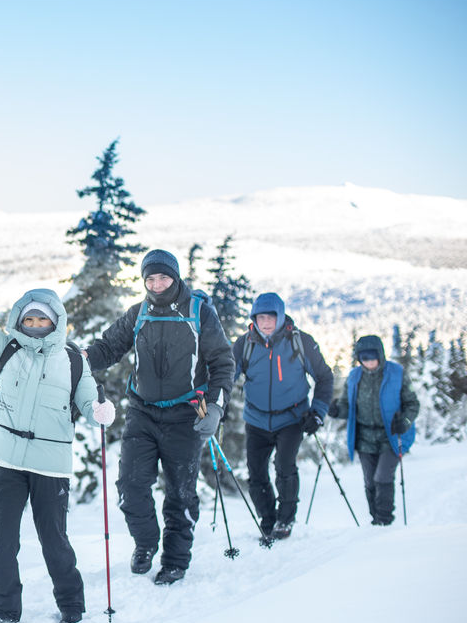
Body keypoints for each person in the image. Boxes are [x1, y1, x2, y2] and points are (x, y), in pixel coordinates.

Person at [0, 247, 115, 623]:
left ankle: (72, 604)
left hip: (51, 465)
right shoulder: (6, 348)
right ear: (19, 320)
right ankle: (6, 610)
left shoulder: (74, 359)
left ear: (55, 321)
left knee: (54, 540)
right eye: (29, 317)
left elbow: (89, 401)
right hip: (7, 459)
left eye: (43, 318)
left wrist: (99, 413)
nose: (36, 323)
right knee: (3, 542)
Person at [83, 249, 235, 585]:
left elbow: (223, 362)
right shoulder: (139, 313)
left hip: (186, 415)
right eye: (150, 278)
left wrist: (216, 407)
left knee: (181, 493)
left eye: (163, 277)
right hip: (142, 413)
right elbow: (108, 347)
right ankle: (146, 543)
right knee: (130, 486)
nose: (156, 284)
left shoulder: (200, 313)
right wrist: (78, 358)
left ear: (175, 277)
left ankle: (175, 561)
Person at [231, 292, 334, 542]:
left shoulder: (300, 342)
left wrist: (318, 413)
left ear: (280, 316)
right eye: (260, 317)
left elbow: (325, 377)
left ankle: (285, 520)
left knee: (284, 467)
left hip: (292, 418)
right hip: (256, 419)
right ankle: (268, 521)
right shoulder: (244, 344)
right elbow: (226, 377)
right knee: (255, 473)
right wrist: (218, 404)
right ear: (254, 318)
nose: (265, 322)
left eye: (271, 317)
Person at [327, 335, 418, 525]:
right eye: (364, 357)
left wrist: (405, 421)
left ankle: (384, 520)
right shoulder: (354, 377)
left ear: (380, 355)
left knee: (382, 477)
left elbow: (412, 403)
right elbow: (347, 406)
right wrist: (336, 410)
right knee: (369, 481)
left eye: (372, 356)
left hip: (391, 435)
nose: (368, 361)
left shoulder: (397, 373)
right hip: (364, 437)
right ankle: (375, 519)